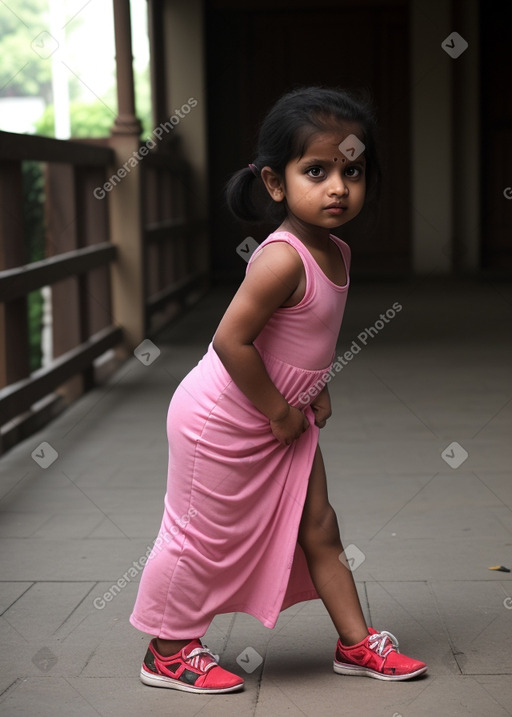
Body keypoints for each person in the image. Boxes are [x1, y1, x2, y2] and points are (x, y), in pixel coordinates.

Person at [130, 86, 427, 694]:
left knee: (319, 525)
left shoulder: (336, 251)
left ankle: (355, 642)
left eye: (353, 170)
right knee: (202, 535)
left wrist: (314, 389)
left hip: (282, 412)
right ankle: (166, 650)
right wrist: (277, 409)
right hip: (224, 415)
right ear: (274, 183)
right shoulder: (281, 259)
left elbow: (301, 337)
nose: (338, 186)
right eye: (315, 171)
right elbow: (230, 341)